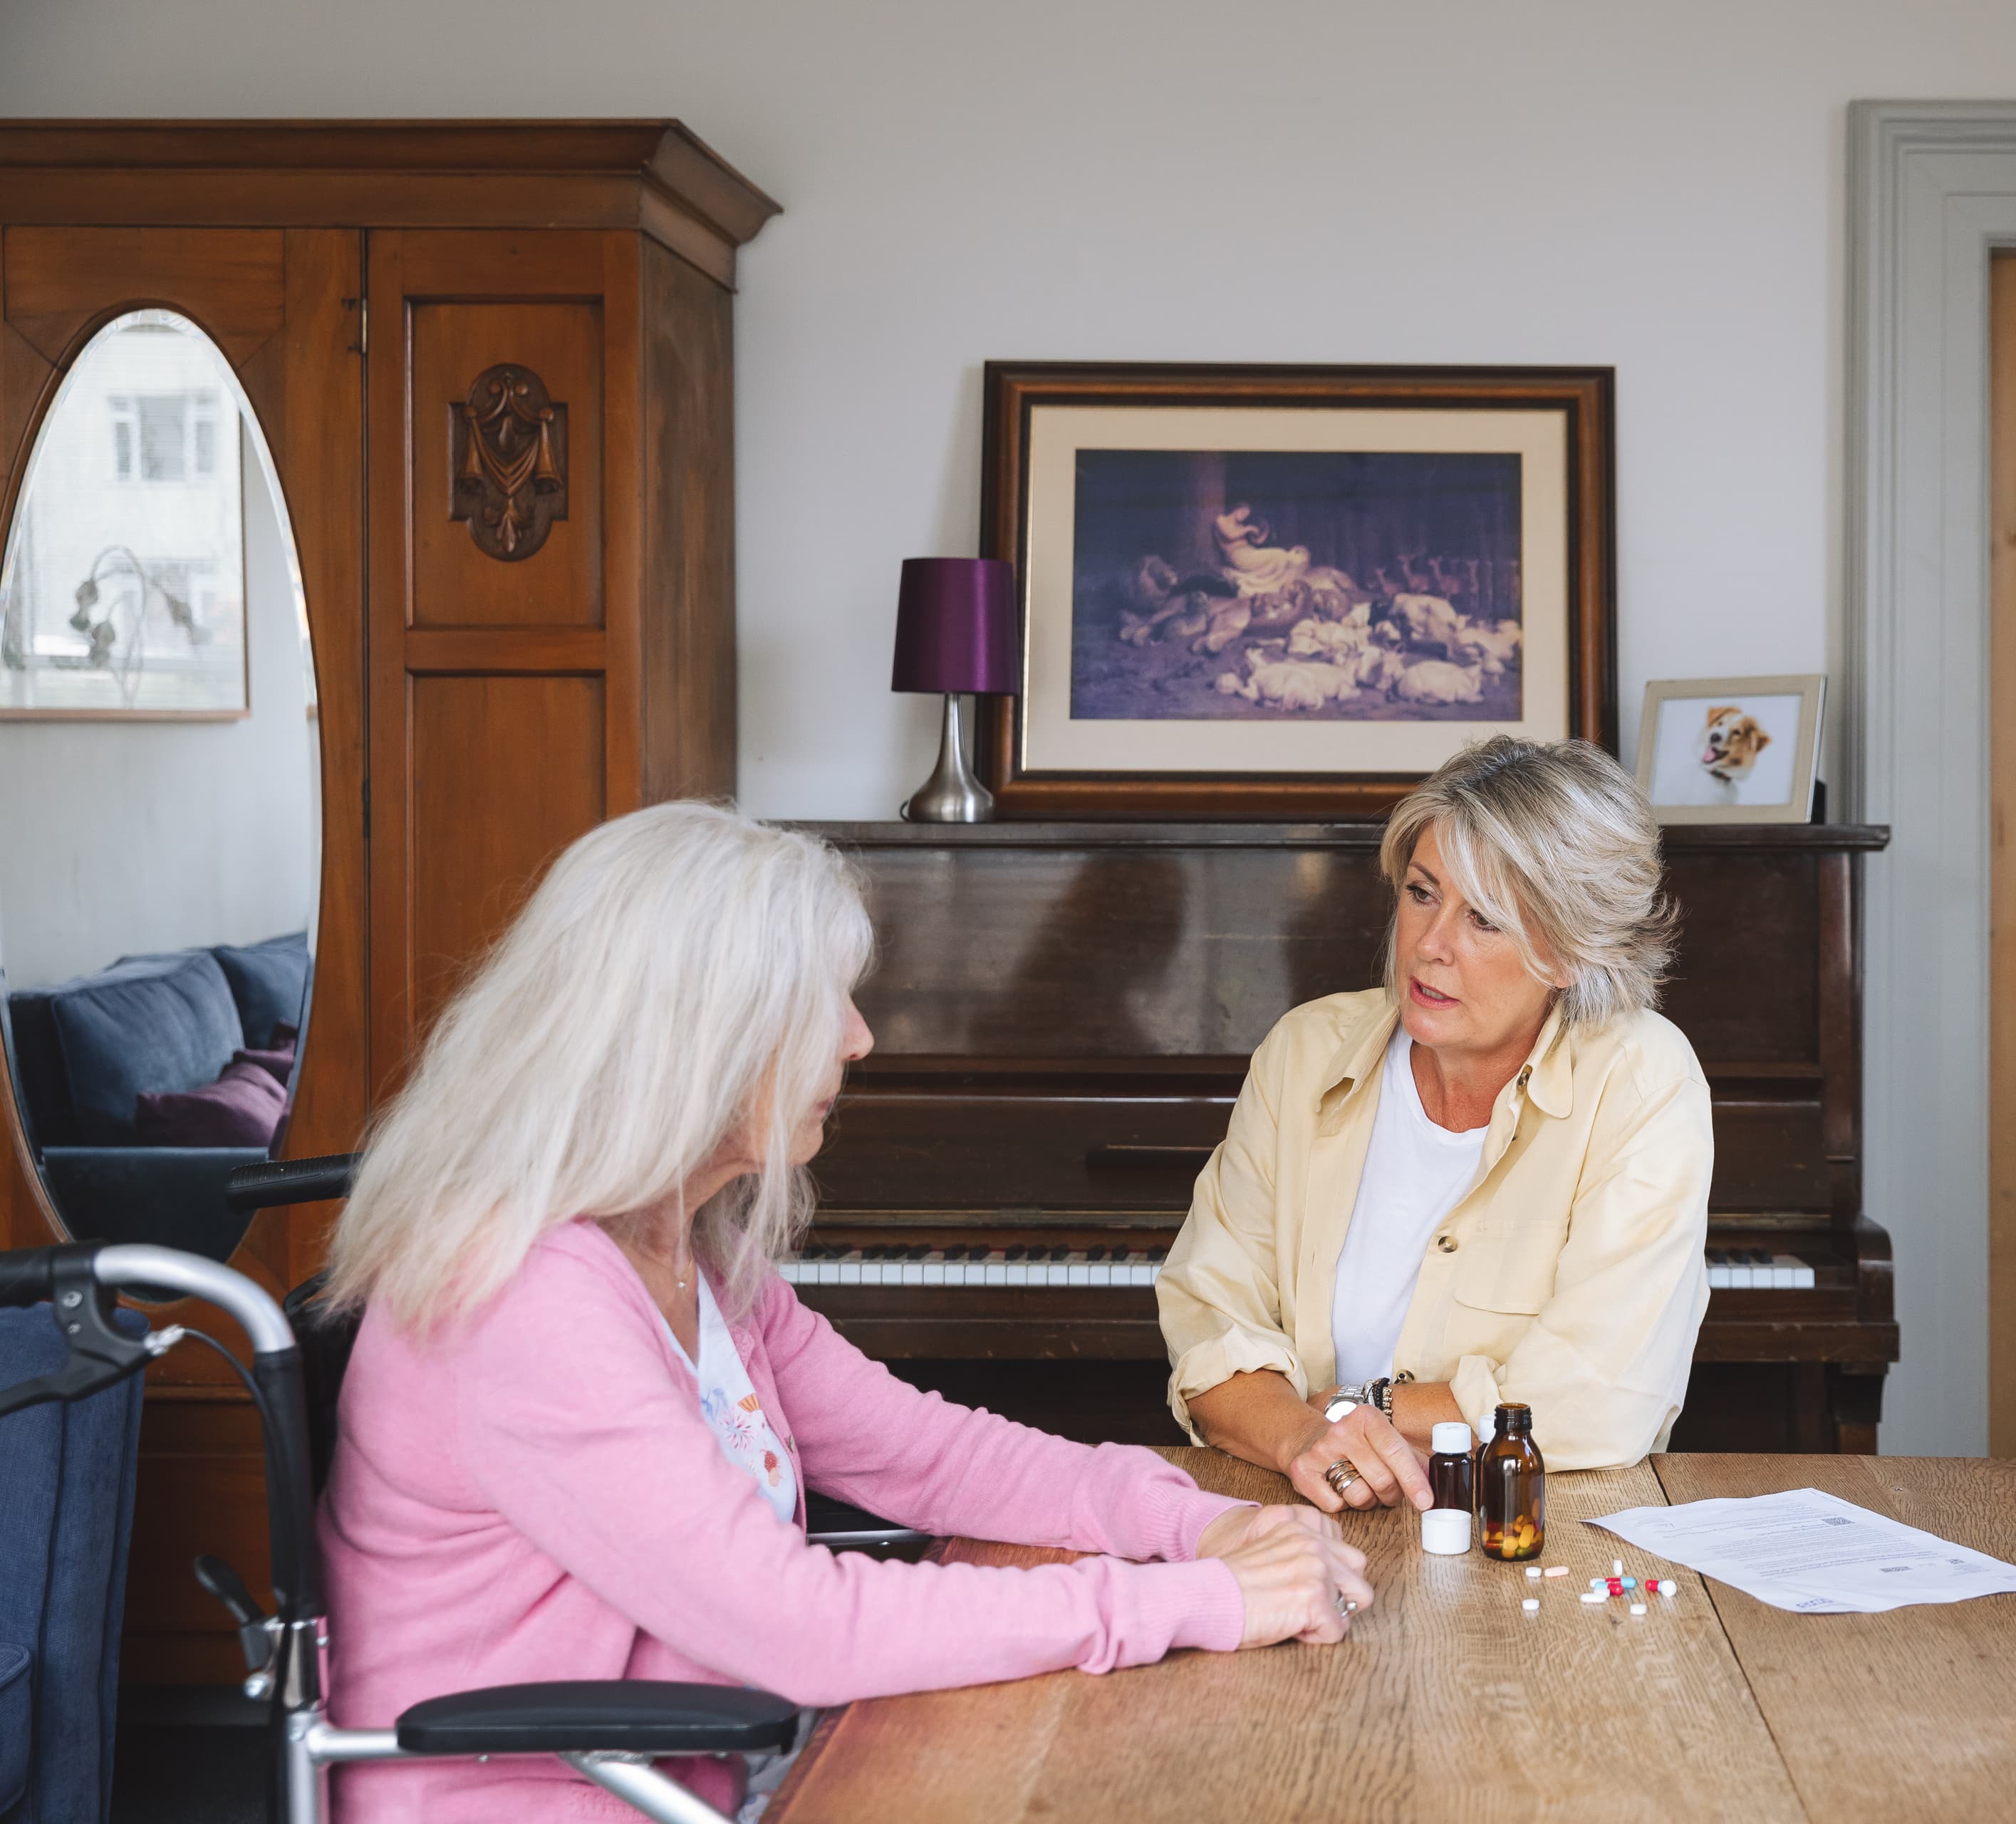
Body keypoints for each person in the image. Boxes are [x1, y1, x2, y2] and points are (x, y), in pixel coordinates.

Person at [317, 803, 1366, 1824]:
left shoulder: (693, 1256)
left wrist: (1202, 1522)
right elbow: (796, 1629)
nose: (861, 1039)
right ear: (704, 1034)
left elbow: (939, 1458)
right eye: (825, 1002)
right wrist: (1201, 1602)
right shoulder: (526, 1300)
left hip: (706, 1773)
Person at [1158, 737, 1714, 1513]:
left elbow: (1601, 1398)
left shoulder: (1641, 1076)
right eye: (1423, 893)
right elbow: (1210, 1319)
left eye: (1484, 919)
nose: (1429, 944)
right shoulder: (1304, 1052)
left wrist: (1356, 1409)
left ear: (1569, 951)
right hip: (1300, 1512)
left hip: (1531, 1532)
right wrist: (1300, 1439)